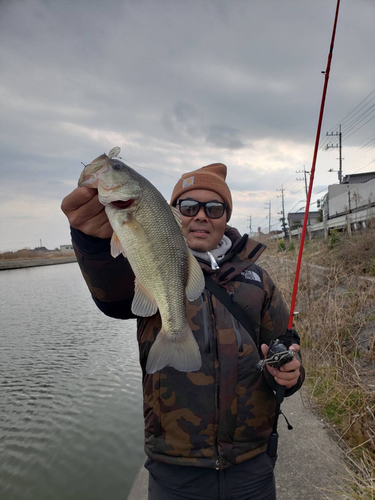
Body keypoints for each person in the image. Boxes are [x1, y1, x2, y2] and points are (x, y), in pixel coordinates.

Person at [61, 162, 304, 500]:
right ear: (171, 213)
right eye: (189, 207)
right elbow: (112, 297)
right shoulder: (140, 262)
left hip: (251, 464)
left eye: (214, 207)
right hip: (174, 469)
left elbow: (284, 340)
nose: (201, 216)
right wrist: (91, 244)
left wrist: (293, 371)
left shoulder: (257, 280)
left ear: (226, 216)